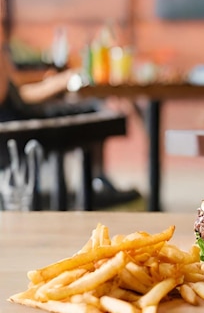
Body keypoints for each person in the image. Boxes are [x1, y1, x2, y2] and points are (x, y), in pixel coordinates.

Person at [0, 60, 140, 208]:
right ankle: (94, 186)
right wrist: (58, 83)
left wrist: (52, 81)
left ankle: (97, 181)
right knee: (93, 116)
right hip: (18, 125)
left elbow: (16, 85)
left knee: (94, 109)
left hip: (26, 114)